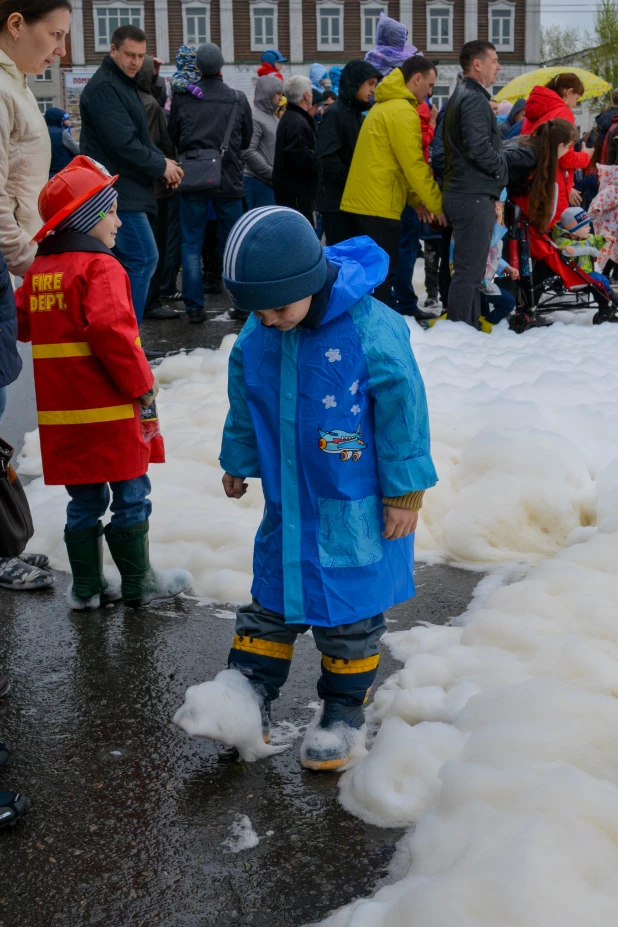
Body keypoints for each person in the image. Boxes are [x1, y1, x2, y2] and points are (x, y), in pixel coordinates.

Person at [177, 205, 437, 772]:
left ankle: (343, 713)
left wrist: (405, 492)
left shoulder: (370, 329)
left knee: (347, 617)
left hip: (354, 506)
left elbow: (404, 412)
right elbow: (246, 399)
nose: (267, 319)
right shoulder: (260, 331)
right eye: (256, 310)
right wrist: (239, 459)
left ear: (307, 283)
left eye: (277, 307)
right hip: (289, 504)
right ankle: (245, 698)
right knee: (270, 604)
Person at [15, 156, 193, 609]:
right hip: (111, 412)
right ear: (88, 217)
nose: (118, 220)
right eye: (110, 211)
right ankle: (138, 584)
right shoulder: (102, 268)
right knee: (132, 494)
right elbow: (112, 334)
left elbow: (19, 324)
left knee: (85, 500)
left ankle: (86, 587)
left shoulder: (41, 272)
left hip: (65, 417)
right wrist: (142, 385)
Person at [79, 24, 183, 326]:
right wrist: (160, 165)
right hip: (115, 192)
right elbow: (122, 143)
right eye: (129, 54)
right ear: (113, 50)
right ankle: (128, 338)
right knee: (143, 258)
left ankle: (122, 336)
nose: (135, 61)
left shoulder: (124, 84)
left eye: (140, 56)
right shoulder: (105, 88)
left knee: (129, 263)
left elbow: (139, 136)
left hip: (126, 190)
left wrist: (164, 162)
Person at [341, 56, 444, 307]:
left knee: (370, 275)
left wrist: (416, 200)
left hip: (367, 201)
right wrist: (437, 206)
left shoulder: (387, 105)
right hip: (378, 204)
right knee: (382, 274)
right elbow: (413, 165)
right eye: (429, 85)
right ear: (416, 79)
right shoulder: (402, 111)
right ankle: (375, 332)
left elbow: (397, 165)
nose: (430, 92)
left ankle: (367, 326)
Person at [169, 42, 252, 323]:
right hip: (228, 179)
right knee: (233, 242)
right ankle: (241, 303)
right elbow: (247, 138)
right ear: (221, 67)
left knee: (191, 242)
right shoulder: (238, 99)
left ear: (197, 68)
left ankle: (194, 307)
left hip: (193, 178)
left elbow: (174, 135)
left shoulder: (184, 98)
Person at [0, 0, 70, 276]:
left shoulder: (19, 86)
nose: (62, 50)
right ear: (16, 25)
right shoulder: (4, 89)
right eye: (56, 34)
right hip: (12, 268)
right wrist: (30, 262)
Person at [442, 40, 508, 328]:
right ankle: (458, 335)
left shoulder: (465, 95)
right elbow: (478, 147)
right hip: (471, 195)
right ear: (477, 64)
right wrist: (502, 169)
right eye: (494, 60)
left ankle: (466, 330)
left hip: (468, 192)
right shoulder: (473, 98)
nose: (499, 66)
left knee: (470, 271)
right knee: (469, 272)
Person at [315, 59, 381, 246]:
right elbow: (327, 159)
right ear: (355, 82)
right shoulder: (335, 113)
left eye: (374, 85)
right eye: (369, 84)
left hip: (352, 202)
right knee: (342, 259)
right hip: (337, 204)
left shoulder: (357, 114)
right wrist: (353, 182)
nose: (373, 90)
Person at [136, 55, 181, 321]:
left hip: (150, 187)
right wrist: (167, 167)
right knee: (155, 247)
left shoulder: (140, 99)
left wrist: (152, 75)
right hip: (156, 188)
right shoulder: (150, 105)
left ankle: (150, 300)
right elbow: (153, 143)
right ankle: (150, 303)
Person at [520, 73, 593, 215]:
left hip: (529, 181)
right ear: (569, 92)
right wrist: (585, 156)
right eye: (576, 99)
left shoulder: (534, 113)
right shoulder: (563, 113)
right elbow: (564, 157)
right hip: (553, 183)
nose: (575, 104)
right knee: (551, 232)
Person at [551, 205, 617, 321]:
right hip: (575, 276)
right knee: (599, 280)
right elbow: (557, 247)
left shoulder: (586, 237)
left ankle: (607, 304)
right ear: (574, 230)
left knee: (599, 280)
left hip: (585, 274)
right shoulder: (564, 241)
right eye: (586, 226)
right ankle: (611, 300)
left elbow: (594, 242)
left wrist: (603, 238)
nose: (589, 228)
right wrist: (564, 248)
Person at [273, 74, 318, 225]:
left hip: (291, 194)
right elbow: (300, 158)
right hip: (297, 196)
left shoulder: (291, 118)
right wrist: (320, 156)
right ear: (306, 95)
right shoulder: (297, 121)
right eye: (310, 92)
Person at [243, 74, 284, 210]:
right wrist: (271, 173)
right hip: (257, 182)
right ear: (267, 93)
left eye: (281, 94)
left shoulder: (273, 118)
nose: (281, 98)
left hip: (270, 182)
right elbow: (248, 151)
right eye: (277, 93)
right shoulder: (255, 117)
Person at [45, 107, 79, 177]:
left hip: (47, 173)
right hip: (63, 173)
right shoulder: (62, 133)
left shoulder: (43, 133)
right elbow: (77, 151)